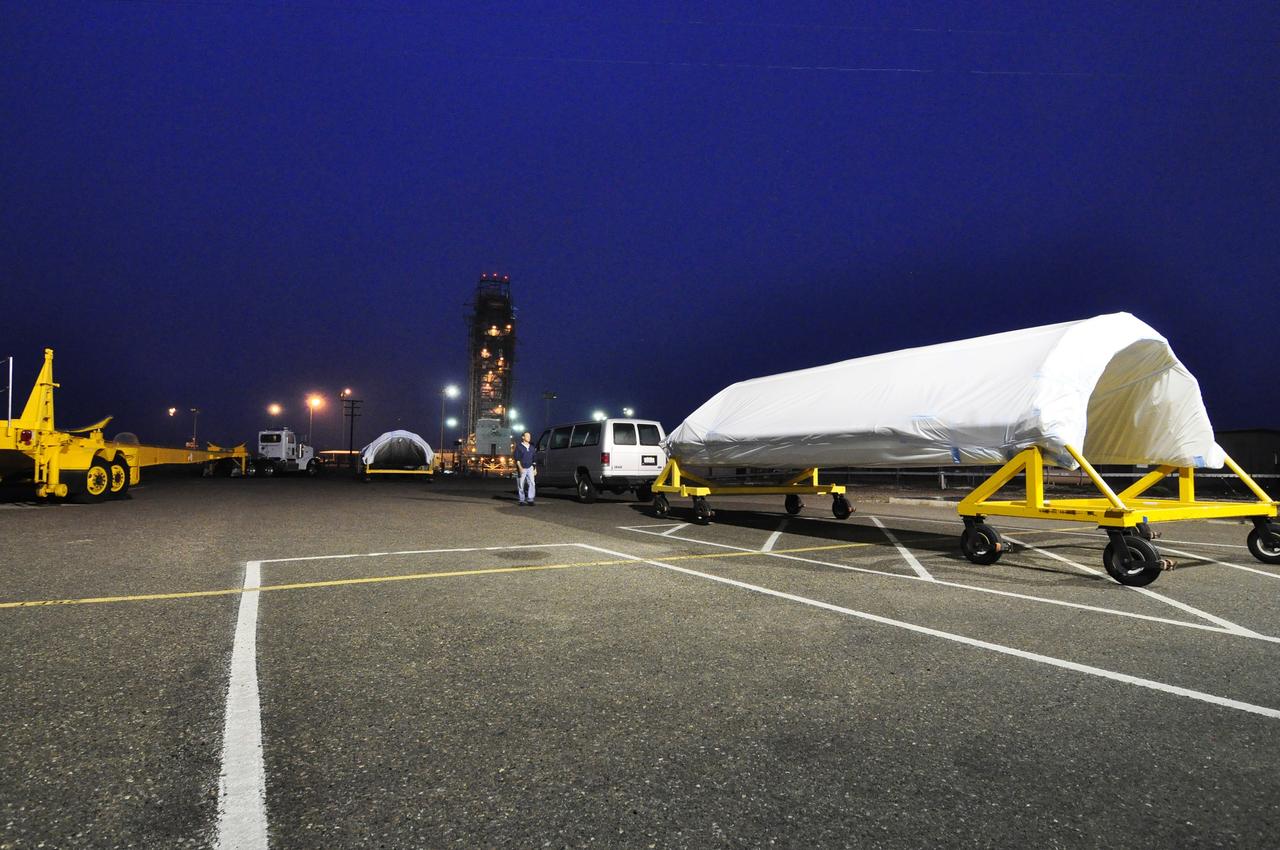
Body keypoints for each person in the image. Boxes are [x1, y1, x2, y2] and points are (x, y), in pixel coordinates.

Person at [513, 431, 537, 505]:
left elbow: (534, 459)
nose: (529, 437)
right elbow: (517, 459)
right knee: (521, 484)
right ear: (523, 437)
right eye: (527, 436)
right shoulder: (519, 447)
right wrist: (520, 468)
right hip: (522, 467)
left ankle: (530, 499)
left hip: (530, 467)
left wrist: (535, 469)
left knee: (532, 483)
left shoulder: (532, 448)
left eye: (529, 436)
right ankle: (522, 500)